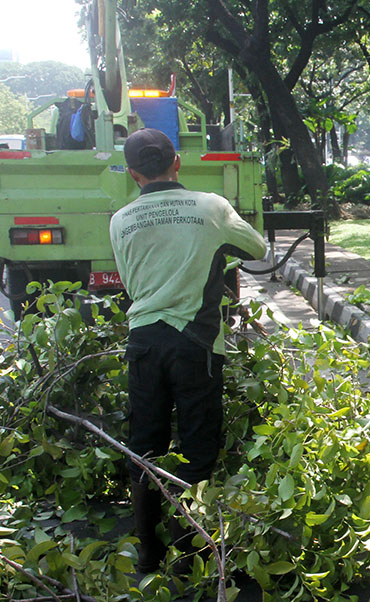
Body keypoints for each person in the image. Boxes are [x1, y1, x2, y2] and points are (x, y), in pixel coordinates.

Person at [110, 128, 268, 572]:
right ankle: (190, 551)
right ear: (177, 162)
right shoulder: (211, 207)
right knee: (196, 446)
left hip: (143, 341)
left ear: (131, 172)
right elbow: (257, 248)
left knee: (146, 445)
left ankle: (148, 552)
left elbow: (129, 281)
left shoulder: (120, 220)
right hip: (196, 343)